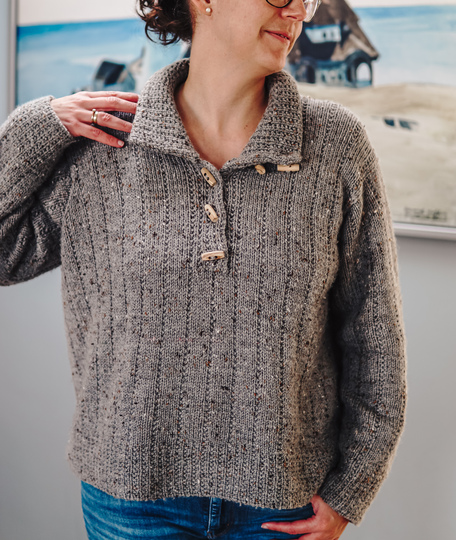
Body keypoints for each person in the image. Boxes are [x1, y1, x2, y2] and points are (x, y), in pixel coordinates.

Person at [0, 0, 407, 538]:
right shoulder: (102, 146)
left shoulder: (336, 147)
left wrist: (352, 487)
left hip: (282, 505)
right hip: (131, 503)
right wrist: (36, 125)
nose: (298, 12)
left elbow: (374, 337)